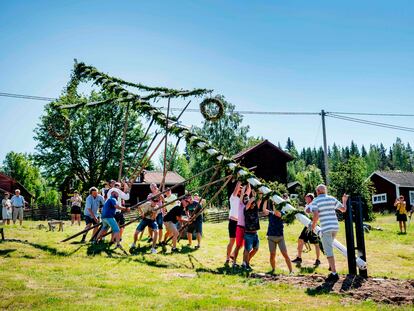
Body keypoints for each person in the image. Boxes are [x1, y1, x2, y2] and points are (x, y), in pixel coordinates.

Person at [310, 184, 347, 282]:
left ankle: (334, 274)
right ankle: (331, 266)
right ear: (325, 191)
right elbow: (343, 209)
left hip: (326, 227)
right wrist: (344, 200)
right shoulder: (331, 198)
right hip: (335, 226)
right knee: (329, 246)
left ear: (317, 192)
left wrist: (313, 225)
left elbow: (316, 215)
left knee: (328, 251)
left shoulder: (316, 201)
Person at [263, 201, 293, 274]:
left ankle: (291, 271)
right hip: (271, 237)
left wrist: (274, 203)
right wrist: (265, 199)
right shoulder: (270, 213)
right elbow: (264, 209)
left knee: (285, 254)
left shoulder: (282, 213)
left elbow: (276, 212)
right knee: (272, 254)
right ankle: (273, 269)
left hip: (280, 238)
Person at [291, 193, 321, 267]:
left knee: (316, 243)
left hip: (313, 225)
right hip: (307, 226)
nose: (305, 199)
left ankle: (318, 260)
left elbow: (314, 214)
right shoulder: (307, 205)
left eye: (307, 198)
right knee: (300, 240)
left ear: (310, 198)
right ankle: (299, 258)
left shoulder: (314, 204)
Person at [231, 183, 251, 268]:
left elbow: (248, 191)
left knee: (246, 247)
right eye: (244, 198)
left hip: (246, 229)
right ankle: (234, 262)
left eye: (247, 198)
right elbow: (243, 194)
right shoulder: (240, 204)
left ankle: (244, 262)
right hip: (240, 228)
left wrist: (249, 183)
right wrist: (243, 189)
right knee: (238, 245)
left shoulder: (248, 206)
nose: (245, 198)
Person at [242, 191, 262, 271]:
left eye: (253, 203)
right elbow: (249, 202)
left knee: (256, 249)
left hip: (255, 233)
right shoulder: (246, 209)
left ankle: (245, 262)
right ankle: (246, 265)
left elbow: (259, 200)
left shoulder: (256, 207)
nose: (253, 204)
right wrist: (253, 196)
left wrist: (260, 192)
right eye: (251, 203)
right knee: (247, 250)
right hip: (248, 234)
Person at [225, 181, 242, 265]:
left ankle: (233, 255)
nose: (240, 191)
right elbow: (236, 187)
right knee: (232, 241)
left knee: (241, 242)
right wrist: (240, 180)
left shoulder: (241, 200)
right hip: (232, 221)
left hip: (240, 223)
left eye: (241, 190)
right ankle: (227, 258)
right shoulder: (233, 197)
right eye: (239, 190)